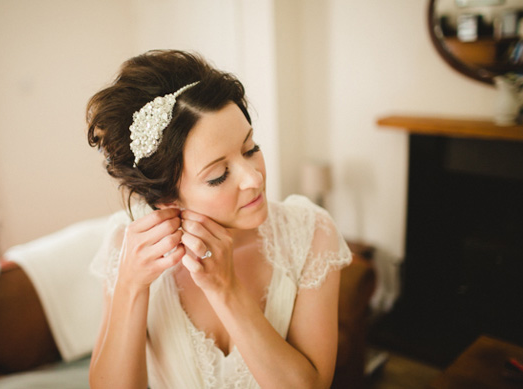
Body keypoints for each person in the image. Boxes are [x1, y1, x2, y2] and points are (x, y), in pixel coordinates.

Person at [86, 50, 352, 389]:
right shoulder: (125, 247)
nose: (254, 178)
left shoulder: (310, 234)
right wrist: (130, 288)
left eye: (250, 149)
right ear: (167, 197)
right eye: (219, 175)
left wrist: (225, 290)